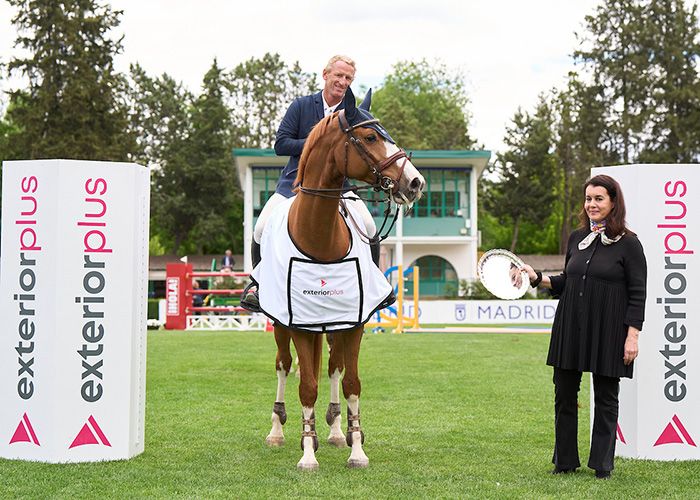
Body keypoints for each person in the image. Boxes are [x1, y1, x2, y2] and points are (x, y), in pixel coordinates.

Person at [522, 174, 646, 480]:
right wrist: (536, 277)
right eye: (588, 199)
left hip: (609, 329)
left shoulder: (629, 244)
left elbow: (638, 293)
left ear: (613, 203)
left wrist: (632, 336)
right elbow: (567, 280)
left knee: (606, 397)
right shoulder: (577, 238)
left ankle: (602, 465)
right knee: (564, 393)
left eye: (599, 198)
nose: (592, 204)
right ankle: (565, 461)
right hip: (570, 325)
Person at [241, 55, 378, 311]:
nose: (342, 81)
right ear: (325, 74)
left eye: (348, 78)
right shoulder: (302, 106)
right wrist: (320, 142)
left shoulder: (352, 113)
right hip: (295, 182)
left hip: (340, 186)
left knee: (369, 225)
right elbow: (281, 144)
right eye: (338, 75)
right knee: (260, 228)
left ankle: (373, 284)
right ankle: (259, 287)